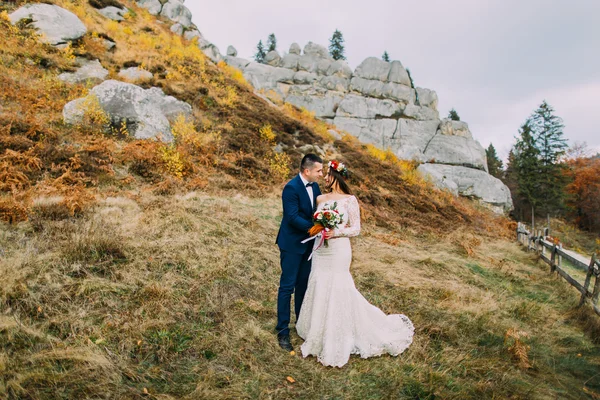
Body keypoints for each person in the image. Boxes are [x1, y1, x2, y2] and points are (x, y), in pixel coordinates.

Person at [296, 160, 414, 367]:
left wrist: (336, 231)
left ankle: (339, 331)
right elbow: (315, 221)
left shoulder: (350, 200)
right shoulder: (320, 198)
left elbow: (356, 228)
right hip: (320, 249)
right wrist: (320, 229)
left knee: (339, 286)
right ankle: (317, 330)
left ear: (337, 176)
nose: (324, 177)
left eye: (328, 174)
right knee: (319, 281)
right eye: (323, 174)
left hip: (339, 249)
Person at [275, 154, 323, 351]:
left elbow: (318, 211)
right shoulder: (291, 188)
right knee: (288, 287)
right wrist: (316, 228)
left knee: (304, 285)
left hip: (308, 246)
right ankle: (282, 331)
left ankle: (301, 326)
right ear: (307, 171)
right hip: (292, 244)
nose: (321, 174)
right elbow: (292, 217)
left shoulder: (316, 187)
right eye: (319, 170)